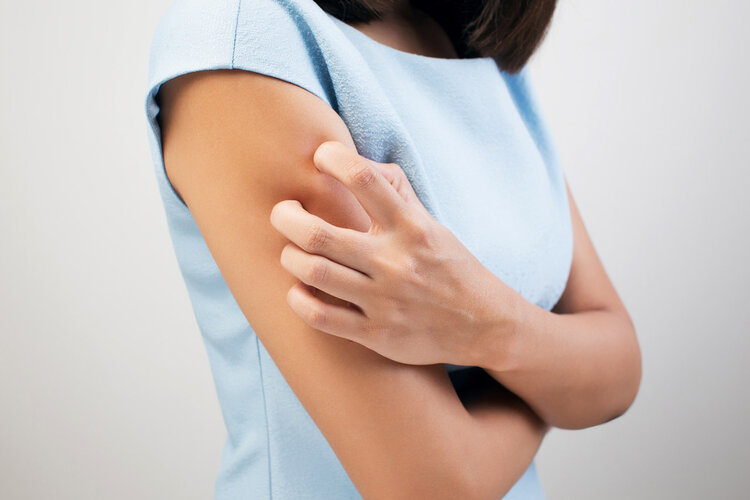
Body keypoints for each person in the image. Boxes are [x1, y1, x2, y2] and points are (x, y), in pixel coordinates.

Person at [144, 0, 642, 498]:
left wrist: (488, 326)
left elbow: (620, 368)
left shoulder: (467, 33)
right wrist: (548, 387)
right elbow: (441, 487)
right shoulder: (245, 40)